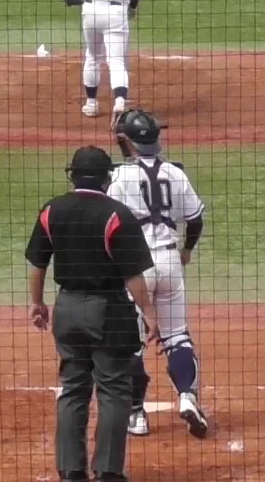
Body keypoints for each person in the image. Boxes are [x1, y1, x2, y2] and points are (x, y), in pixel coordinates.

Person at [25, 145, 159, 482]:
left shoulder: (51, 210)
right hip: (108, 310)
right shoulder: (117, 214)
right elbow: (133, 275)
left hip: (66, 308)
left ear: (72, 176)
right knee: (114, 390)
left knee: (73, 388)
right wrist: (150, 314)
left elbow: (38, 263)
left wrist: (36, 302)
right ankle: (108, 471)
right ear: (106, 178)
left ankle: (71, 471)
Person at [107, 109, 209, 439]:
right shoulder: (175, 173)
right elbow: (195, 219)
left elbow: (107, 224)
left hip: (134, 266)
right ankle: (188, 397)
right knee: (177, 335)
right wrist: (187, 249)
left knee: (132, 342)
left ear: (126, 142)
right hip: (169, 260)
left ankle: (136, 414)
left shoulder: (118, 177)